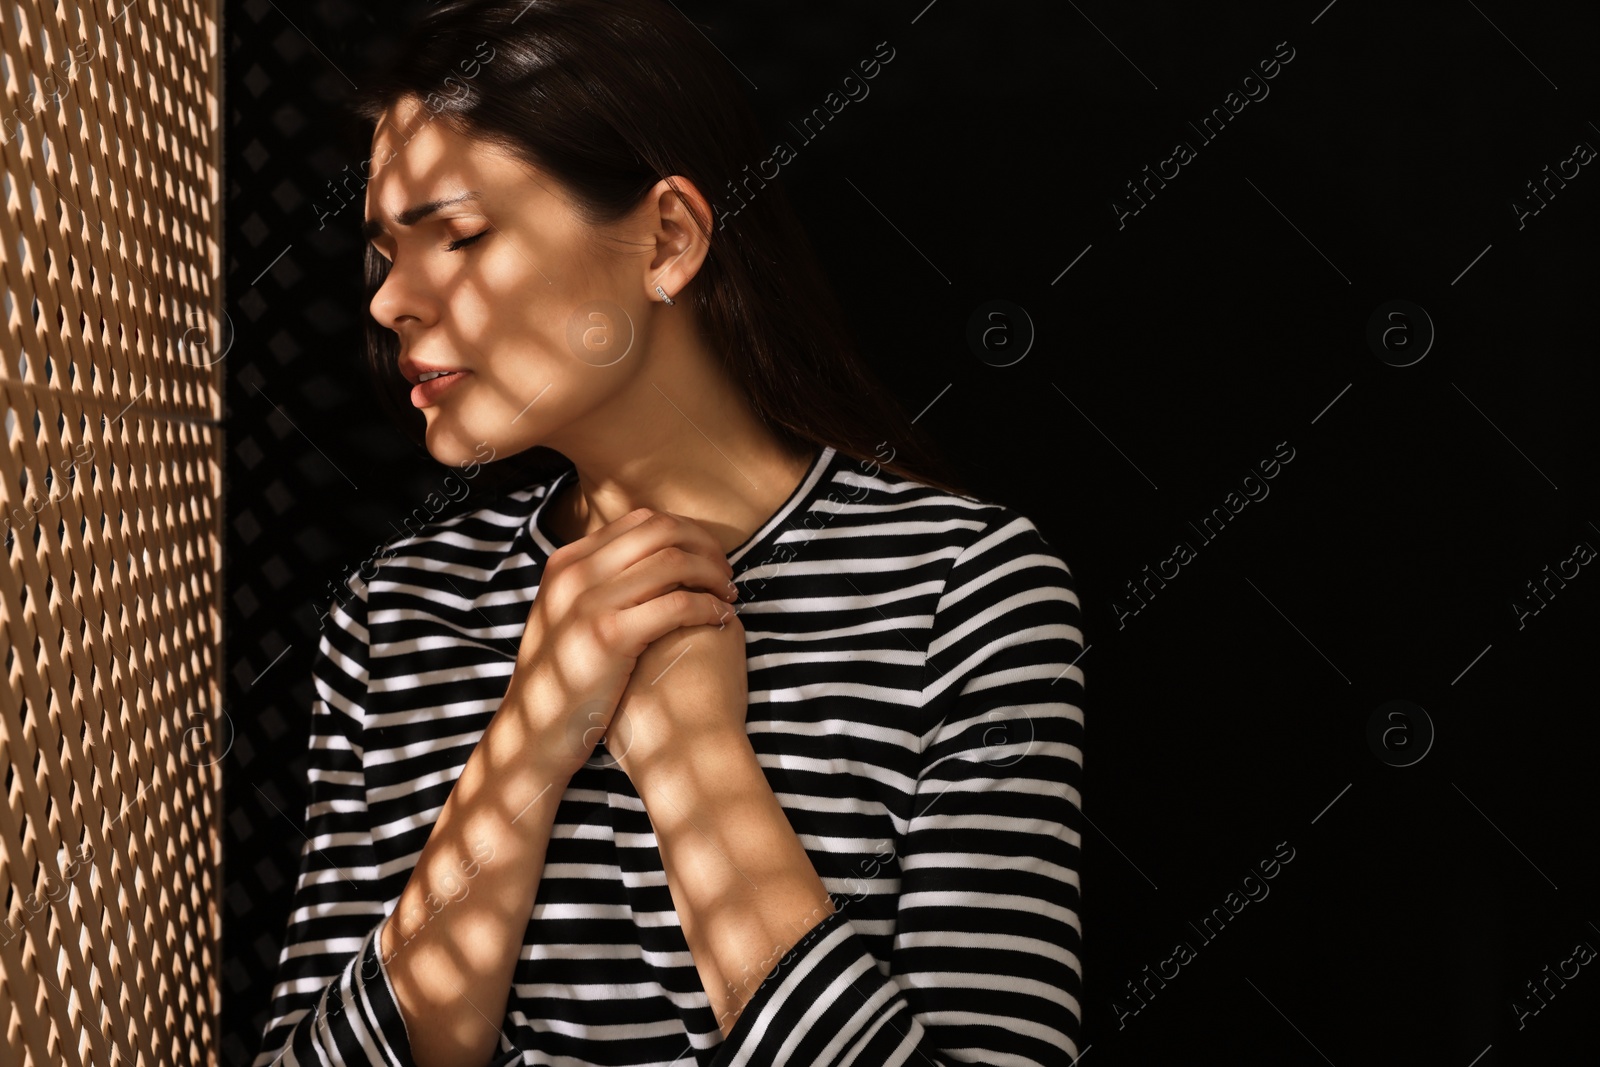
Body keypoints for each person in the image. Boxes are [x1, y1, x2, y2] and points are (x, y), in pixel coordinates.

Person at [252, 2, 1085, 1064]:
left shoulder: (962, 587)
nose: (389, 303)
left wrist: (694, 756)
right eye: (386, 252)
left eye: (459, 235)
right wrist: (529, 742)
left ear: (669, 238)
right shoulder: (396, 618)